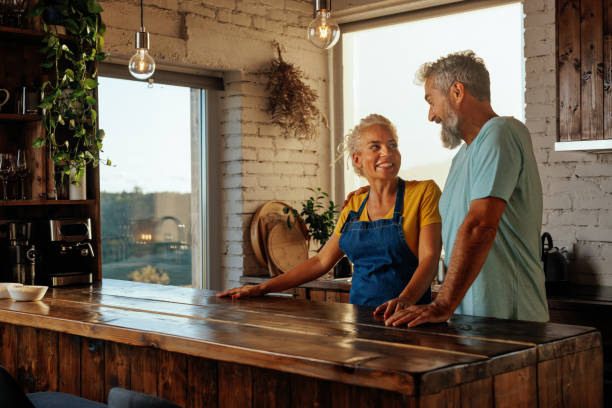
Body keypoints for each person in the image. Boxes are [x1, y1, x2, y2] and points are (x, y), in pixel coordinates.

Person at [382, 50, 549, 327]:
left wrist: (443, 304)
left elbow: (480, 226)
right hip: (470, 322)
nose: (431, 115)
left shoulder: (501, 132)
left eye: (431, 101)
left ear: (457, 92)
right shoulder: (462, 158)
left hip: (513, 324)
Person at [218, 114, 442, 313]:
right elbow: (320, 261)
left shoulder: (424, 192)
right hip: (361, 321)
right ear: (357, 159)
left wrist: (405, 300)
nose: (387, 153)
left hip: (407, 318)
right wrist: (262, 288)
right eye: (375, 146)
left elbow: (429, 259)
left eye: (392, 145)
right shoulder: (354, 204)